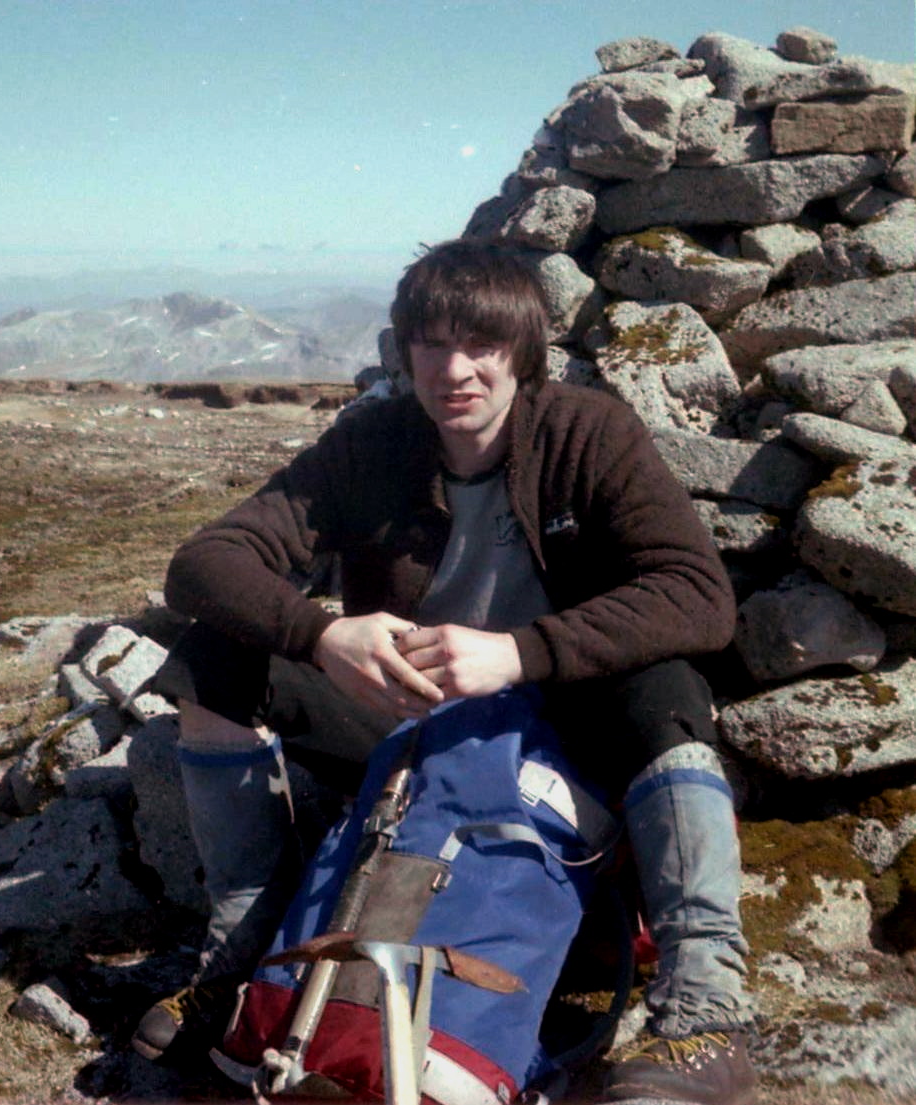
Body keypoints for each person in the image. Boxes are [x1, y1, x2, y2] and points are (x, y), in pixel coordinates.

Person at [134, 239, 755, 1105]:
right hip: (409, 724)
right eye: (432, 344)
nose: (455, 369)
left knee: (668, 688)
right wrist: (323, 635)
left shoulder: (588, 433)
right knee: (212, 660)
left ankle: (707, 1012)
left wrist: (517, 653)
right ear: (405, 351)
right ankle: (242, 960)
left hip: (563, 732)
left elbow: (697, 594)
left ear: (523, 352)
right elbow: (205, 563)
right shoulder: (374, 444)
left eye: (483, 344)